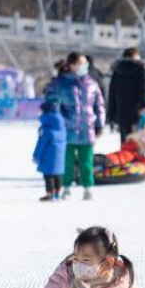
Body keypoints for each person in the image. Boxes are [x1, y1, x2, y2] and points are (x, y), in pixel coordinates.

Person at [41, 226, 145, 288]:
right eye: (76, 259)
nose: (78, 265)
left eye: (86, 260)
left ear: (108, 263)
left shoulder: (121, 281)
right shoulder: (65, 276)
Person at [45, 51, 105, 200]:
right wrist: (56, 123)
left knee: (86, 161)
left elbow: (100, 105)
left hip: (87, 128)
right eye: (80, 63)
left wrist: (99, 124)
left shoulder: (92, 83)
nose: (84, 66)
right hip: (66, 130)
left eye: (85, 63)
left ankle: (88, 187)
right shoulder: (60, 83)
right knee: (67, 161)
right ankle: (66, 187)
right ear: (71, 65)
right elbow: (51, 104)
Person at [107, 48, 145, 147]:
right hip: (136, 111)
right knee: (137, 141)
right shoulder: (139, 69)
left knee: (125, 140)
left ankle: (125, 159)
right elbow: (142, 91)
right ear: (135, 56)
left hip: (121, 112)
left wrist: (111, 114)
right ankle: (136, 161)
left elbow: (112, 93)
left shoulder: (117, 71)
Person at [32, 100, 67, 202]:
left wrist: (36, 156)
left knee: (48, 175)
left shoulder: (47, 128)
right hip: (59, 157)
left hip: (48, 157)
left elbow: (41, 144)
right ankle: (57, 193)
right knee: (58, 174)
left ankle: (50, 193)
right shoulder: (62, 127)